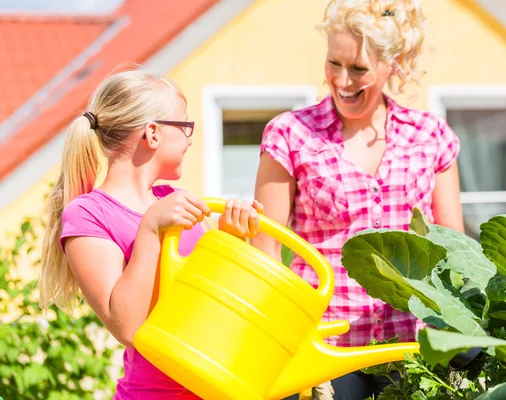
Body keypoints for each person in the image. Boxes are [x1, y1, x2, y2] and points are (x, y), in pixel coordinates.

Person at [253, 0, 464, 398]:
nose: (342, 80)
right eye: (334, 63)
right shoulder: (290, 134)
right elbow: (265, 249)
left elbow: (453, 245)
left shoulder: (430, 135)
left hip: (412, 350)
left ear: (394, 63)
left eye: (358, 69)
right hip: (322, 350)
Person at [38, 68, 263, 399]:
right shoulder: (88, 214)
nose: (190, 138)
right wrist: (150, 229)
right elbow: (127, 327)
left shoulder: (172, 201)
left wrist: (230, 242)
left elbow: (210, 305)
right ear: (153, 133)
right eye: (185, 126)